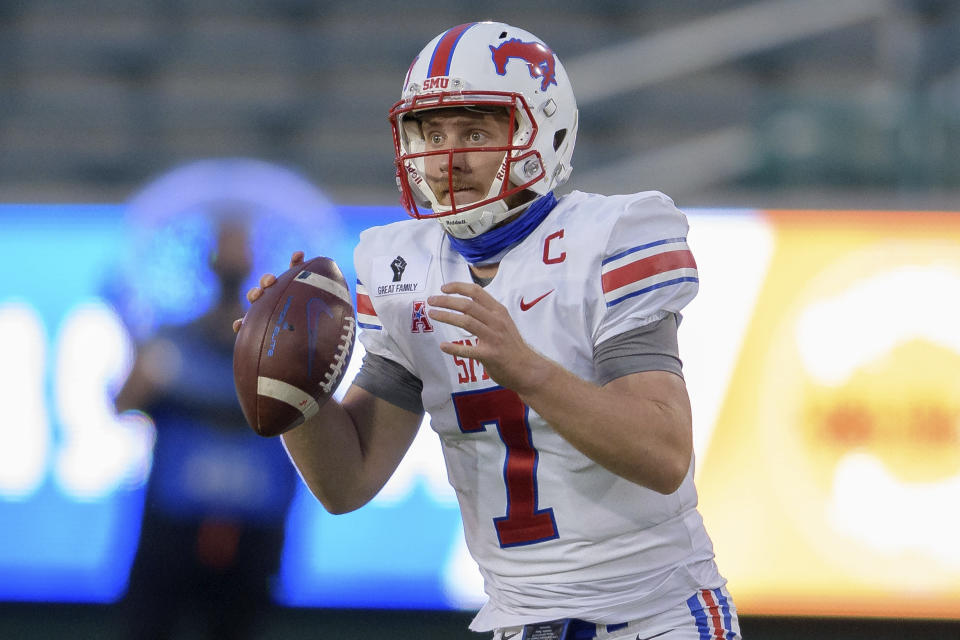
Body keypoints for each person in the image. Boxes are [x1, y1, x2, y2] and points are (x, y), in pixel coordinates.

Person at [240, 21, 741, 640]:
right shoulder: (399, 266)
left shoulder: (612, 237)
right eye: (432, 132)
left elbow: (664, 455)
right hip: (517, 622)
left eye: (475, 131)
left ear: (543, 129)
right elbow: (348, 483)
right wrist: (294, 387)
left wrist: (526, 367)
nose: (449, 157)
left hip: (654, 616)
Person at [118, 216, 298, 640]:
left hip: (254, 524)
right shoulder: (170, 340)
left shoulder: (279, 347)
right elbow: (124, 402)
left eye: (242, 246)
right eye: (225, 247)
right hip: (174, 521)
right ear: (208, 261)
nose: (233, 258)